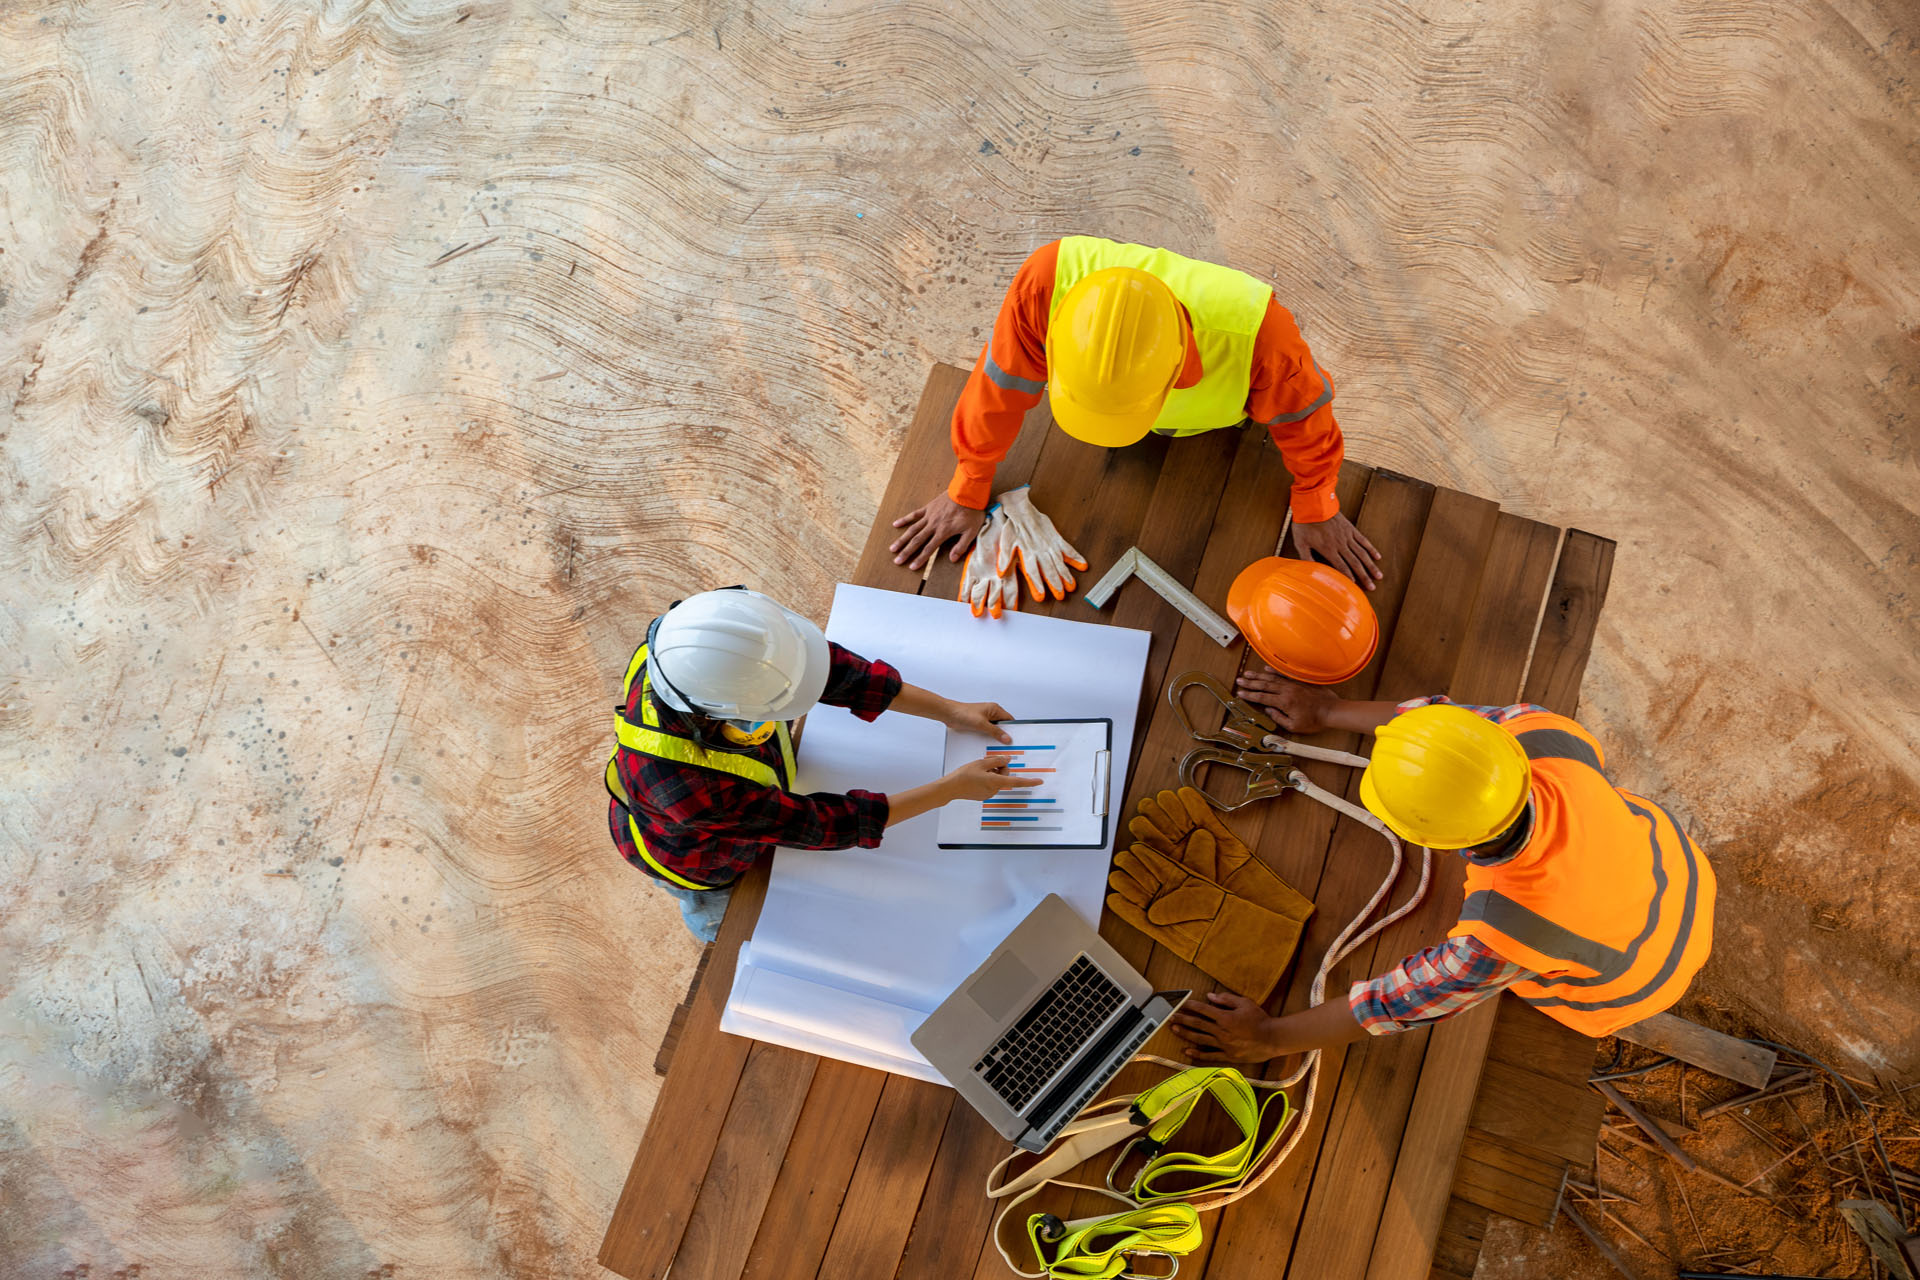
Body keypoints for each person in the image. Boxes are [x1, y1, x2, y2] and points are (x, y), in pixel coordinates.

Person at [1171, 674, 1716, 1060]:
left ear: (1427, 839)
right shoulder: (1540, 732)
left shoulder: (1499, 936)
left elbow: (1399, 1002)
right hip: (1681, 875)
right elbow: (1444, 727)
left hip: (1637, 982)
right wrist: (1327, 712)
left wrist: (1268, 1039)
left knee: (1538, 974)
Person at [888, 236, 1383, 588]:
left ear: (1179, 371)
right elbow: (997, 387)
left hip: (1217, 432)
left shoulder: (1261, 338)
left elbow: (1307, 422)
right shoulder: (1045, 283)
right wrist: (969, 483)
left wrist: (1316, 502)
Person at [605, 587, 1039, 942]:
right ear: (724, 713)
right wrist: (950, 790)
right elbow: (822, 824)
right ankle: (711, 929)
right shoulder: (689, 791)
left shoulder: (700, 643)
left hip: (730, 791)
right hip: (695, 855)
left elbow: (836, 674)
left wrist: (950, 710)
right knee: (732, 921)